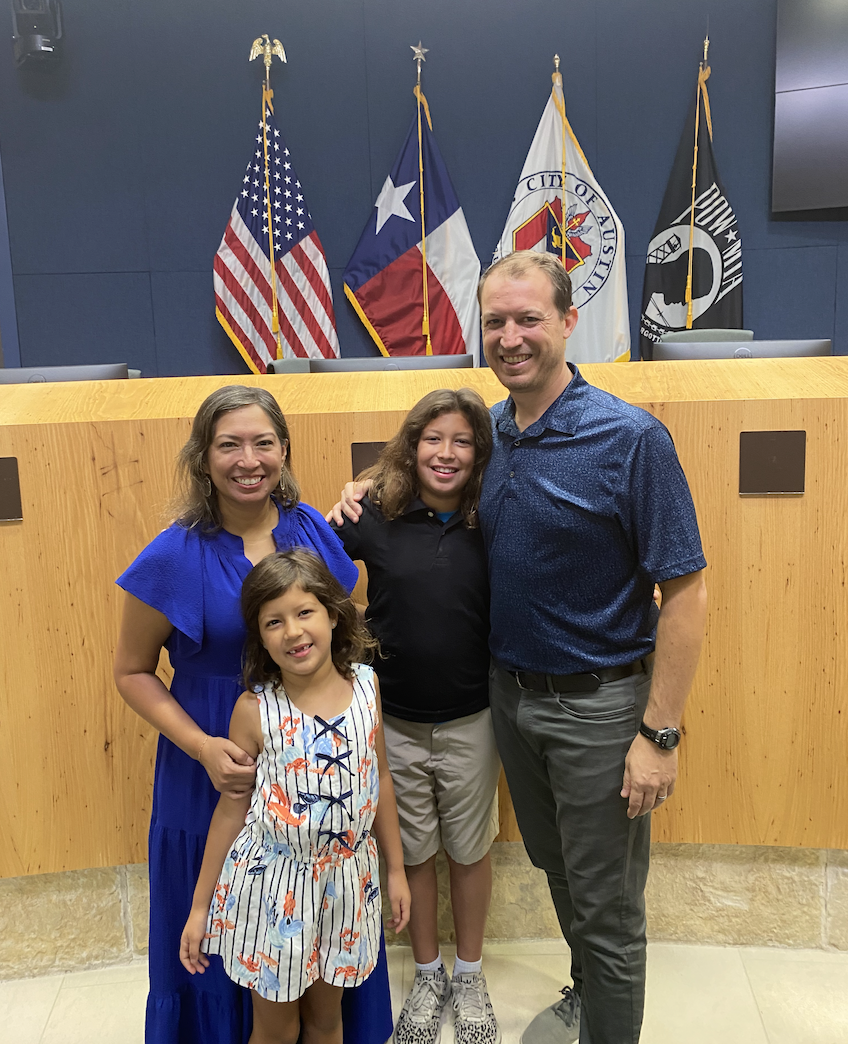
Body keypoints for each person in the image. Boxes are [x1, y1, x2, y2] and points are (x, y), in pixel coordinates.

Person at [332, 251, 707, 1044]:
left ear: (568, 321)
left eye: (529, 318)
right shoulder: (489, 437)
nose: (510, 337)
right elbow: (423, 490)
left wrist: (659, 734)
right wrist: (363, 486)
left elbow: (685, 592)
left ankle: (606, 1023)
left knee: (607, 907)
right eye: (496, 321)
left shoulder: (631, 439)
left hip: (601, 708)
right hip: (509, 701)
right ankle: (586, 995)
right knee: (559, 870)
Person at [113, 386, 394, 1044]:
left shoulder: (311, 529)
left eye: (263, 442)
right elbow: (130, 672)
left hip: (311, 765)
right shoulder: (172, 554)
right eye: (229, 445)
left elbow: (341, 618)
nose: (248, 460)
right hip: (213, 760)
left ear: (284, 450)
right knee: (218, 922)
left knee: (314, 951)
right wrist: (202, 746)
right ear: (202, 456)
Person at [179, 549, 410, 1044]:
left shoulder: (367, 687)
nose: (293, 632)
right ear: (260, 637)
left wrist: (395, 869)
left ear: (333, 614)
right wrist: (200, 908)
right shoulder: (254, 710)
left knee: (327, 1021)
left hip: (347, 885)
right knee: (277, 1030)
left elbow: (381, 778)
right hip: (274, 891)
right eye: (273, 621)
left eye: (305, 612)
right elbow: (231, 810)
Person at [331, 389, 501, 1044]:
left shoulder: (494, 516)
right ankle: (427, 974)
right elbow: (311, 569)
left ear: (480, 453)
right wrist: (345, 497)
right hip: (392, 722)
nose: (446, 453)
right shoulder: (375, 513)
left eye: (462, 441)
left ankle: (469, 975)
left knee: (470, 850)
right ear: (411, 446)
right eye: (433, 439)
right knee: (413, 852)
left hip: (473, 718)